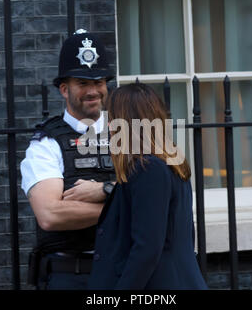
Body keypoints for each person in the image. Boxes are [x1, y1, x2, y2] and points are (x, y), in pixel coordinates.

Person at [20, 29, 116, 290]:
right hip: (72, 276)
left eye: (98, 82)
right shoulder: (46, 143)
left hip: (126, 273)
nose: (93, 91)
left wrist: (106, 190)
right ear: (64, 89)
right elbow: (51, 215)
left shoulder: (130, 133)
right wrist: (126, 207)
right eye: (82, 83)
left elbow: (157, 193)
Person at [88, 83, 208, 289]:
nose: (108, 127)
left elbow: (147, 249)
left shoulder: (148, 169)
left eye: (111, 118)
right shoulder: (171, 163)